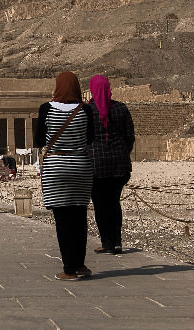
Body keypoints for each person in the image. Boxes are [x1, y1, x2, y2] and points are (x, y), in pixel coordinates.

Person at [34, 71, 96, 281]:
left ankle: (68, 269)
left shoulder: (46, 109)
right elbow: (91, 138)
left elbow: (38, 140)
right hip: (80, 165)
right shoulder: (85, 110)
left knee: (62, 219)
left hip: (56, 166)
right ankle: (80, 264)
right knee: (79, 215)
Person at [88, 75, 135, 255]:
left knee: (100, 205)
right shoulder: (121, 108)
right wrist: (122, 152)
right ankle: (117, 242)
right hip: (119, 165)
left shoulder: (88, 110)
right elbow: (129, 136)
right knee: (114, 203)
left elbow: (85, 138)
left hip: (96, 165)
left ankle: (106, 242)